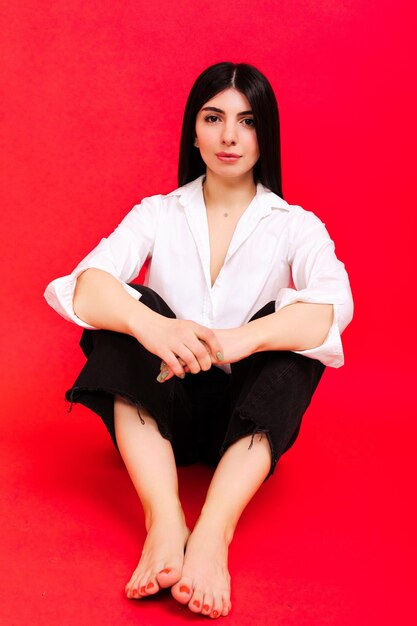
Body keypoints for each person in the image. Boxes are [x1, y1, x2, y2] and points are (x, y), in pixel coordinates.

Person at [44, 61, 353, 619]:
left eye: (247, 121)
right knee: (125, 312)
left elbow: (334, 307)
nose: (229, 136)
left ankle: (211, 535)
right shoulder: (157, 213)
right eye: (214, 118)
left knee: (298, 337)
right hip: (163, 409)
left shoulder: (295, 224)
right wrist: (153, 326)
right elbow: (81, 288)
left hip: (244, 423)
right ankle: (165, 523)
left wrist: (242, 340)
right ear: (194, 130)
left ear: (266, 134)